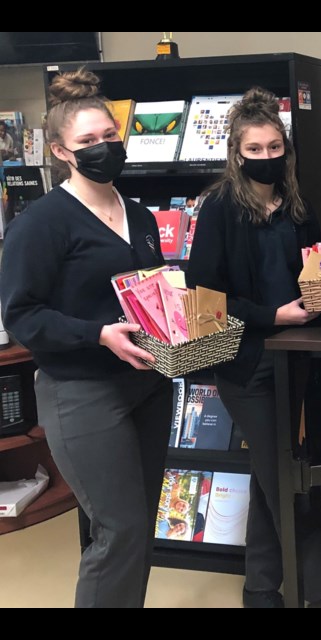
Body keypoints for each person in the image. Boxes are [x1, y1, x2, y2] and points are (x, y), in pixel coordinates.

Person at [186, 87, 321, 609]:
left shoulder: (297, 205)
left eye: (274, 147)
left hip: (294, 359)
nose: (265, 158)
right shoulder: (219, 208)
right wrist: (269, 316)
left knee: (270, 471)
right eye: (254, 150)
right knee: (282, 477)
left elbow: (319, 274)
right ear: (236, 153)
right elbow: (201, 295)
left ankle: (260, 590)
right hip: (244, 362)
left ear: (286, 148)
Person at [0, 69, 171, 607]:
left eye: (109, 138)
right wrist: (97, 334)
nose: (103, 149)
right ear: (60, 152)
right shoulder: (42, 224)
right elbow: (22, 314)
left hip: (147, 385)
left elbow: (153, 293)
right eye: (88, 143)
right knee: (117, 530)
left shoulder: (138, 216)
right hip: (83, 393)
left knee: (139, 526)